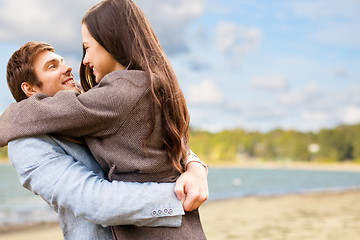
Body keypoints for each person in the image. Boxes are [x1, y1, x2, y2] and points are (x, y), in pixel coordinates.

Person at [0, 0, 207, 239]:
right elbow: (96, 202)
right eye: (52, 66)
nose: (72, 66)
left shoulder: (106, 99)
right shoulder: (27, 143)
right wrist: (178, 196)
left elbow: (163, 138)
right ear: (30, 89)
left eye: (86, 48)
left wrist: (195, 167)